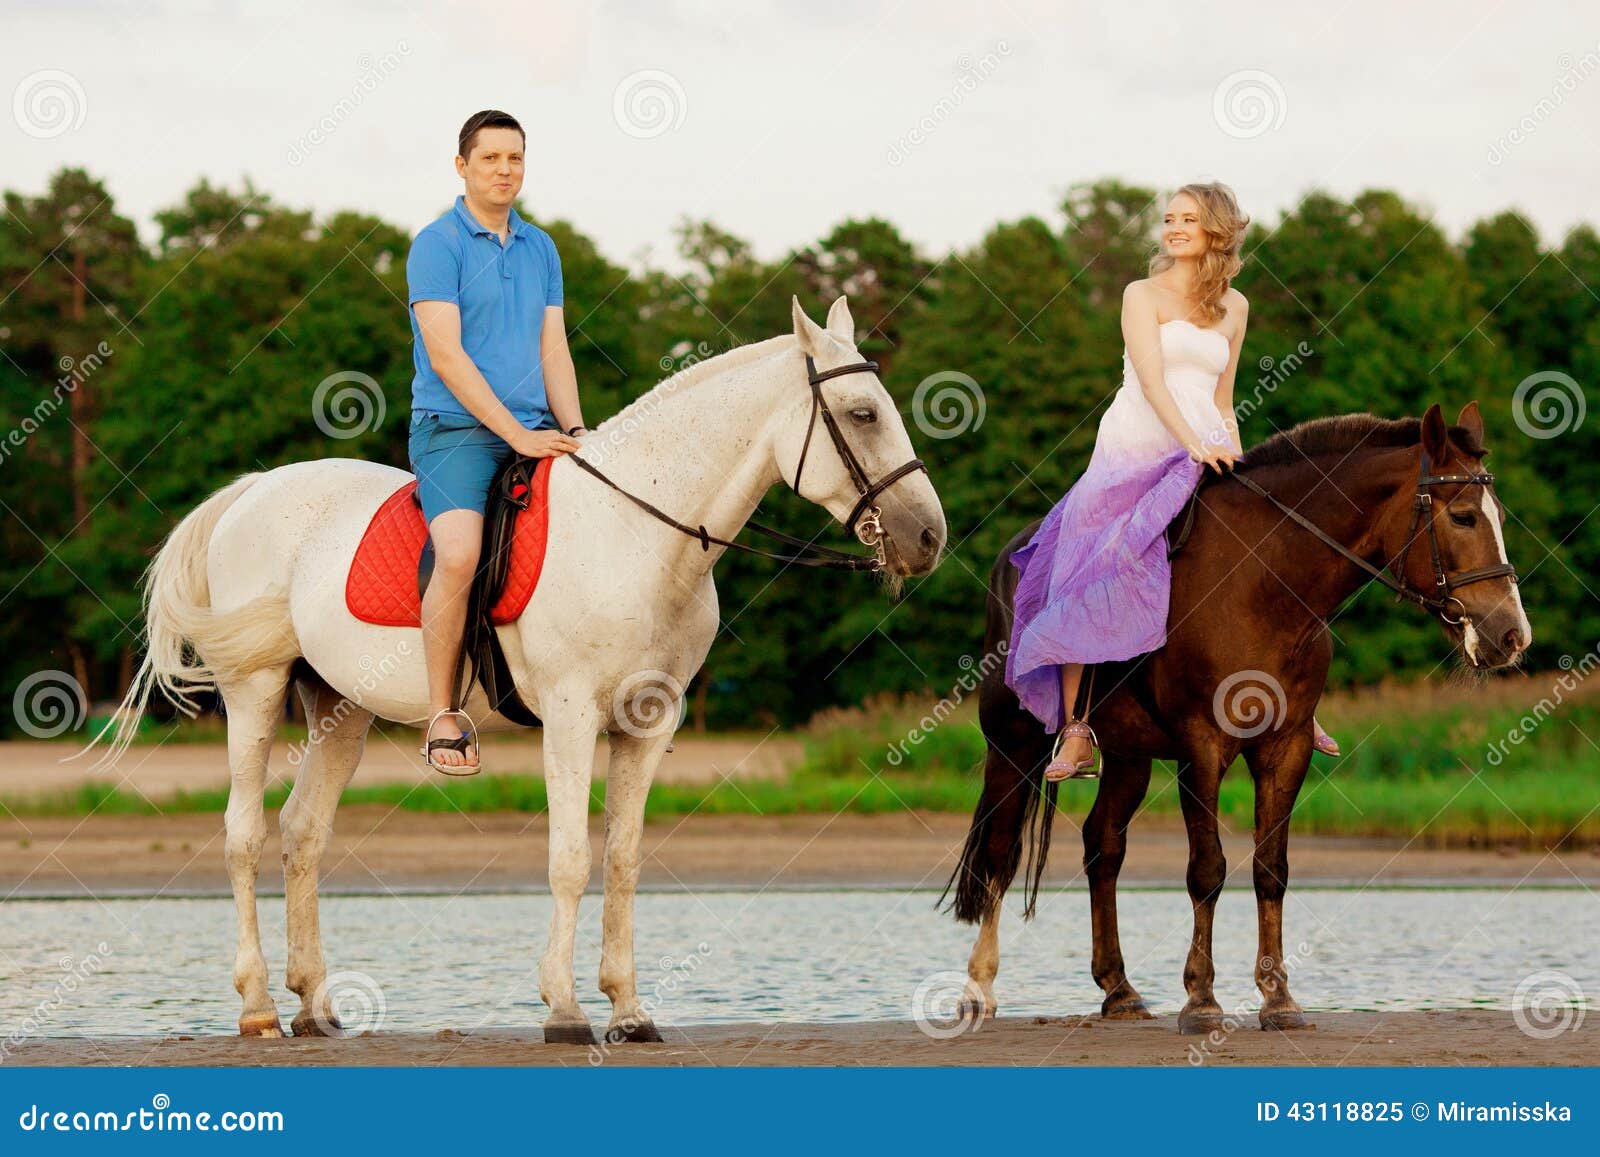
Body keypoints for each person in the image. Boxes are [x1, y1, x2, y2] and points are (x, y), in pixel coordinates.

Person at [1004, 181, 1340, 781]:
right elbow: (1154, 382)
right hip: (1136, 448)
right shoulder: (1141, 294)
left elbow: (1225, 396)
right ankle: (1080, 732)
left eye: (1188, 219)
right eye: (1169, 219)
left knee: (1272, 547)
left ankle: (1297, 705)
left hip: (1209, 446)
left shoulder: (1235, 307)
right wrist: (1193, 445)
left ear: (1216, 229)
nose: (1174, 228)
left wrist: (1240, 463)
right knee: (1095, 561)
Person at [406, 109, 587, 772]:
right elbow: (448, 357)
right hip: (454, 431)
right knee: (457, 554)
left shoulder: (542, 248)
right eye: (491, 158)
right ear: (462, 166)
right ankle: (442, 714)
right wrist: (516, 434)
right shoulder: (437, 244)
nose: (505, 170)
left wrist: (574, 431)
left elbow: (554, 349)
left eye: (515, 158)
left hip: (536, 431)